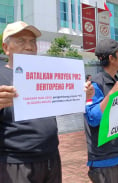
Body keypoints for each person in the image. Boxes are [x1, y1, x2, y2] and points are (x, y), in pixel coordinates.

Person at [0, 21, 62, 182]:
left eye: (33, 41)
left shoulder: (44, 76)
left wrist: (80, 93)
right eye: (21, 41)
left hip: (51, 158)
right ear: (6, 48)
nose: (29, 47)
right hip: (17, 163)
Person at [85, 39, 118, 183]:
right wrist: (113, 92)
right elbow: (93, 118)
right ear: (112, 58)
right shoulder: (95, 84)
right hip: (105, 159)